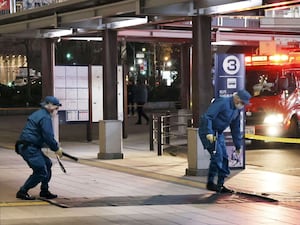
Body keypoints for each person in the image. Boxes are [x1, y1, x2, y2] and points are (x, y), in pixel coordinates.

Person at [198, 90, 251, 193]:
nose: (243, 105)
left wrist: (238, 145)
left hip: (219, 133)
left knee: (224, 158)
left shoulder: (236, 110)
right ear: (237, 98)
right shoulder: (222, 102)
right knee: (217, 156)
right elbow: (207, 116)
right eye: (243, 102)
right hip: (209, 131)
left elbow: (235, 128)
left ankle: (220, 184)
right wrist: (209, 132)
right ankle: (210, 183)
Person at [15, 96, 64, 200]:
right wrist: (56, 148)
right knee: (41, 171)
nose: (56, 111)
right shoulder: (45, 117)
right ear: (50, 106)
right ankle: (22, 191)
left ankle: (44, 190)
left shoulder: (38, 114)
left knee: (47, 163)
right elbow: (48, 136)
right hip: (30, 148)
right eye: (56, 108)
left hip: (28, 146)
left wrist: (54, 147)